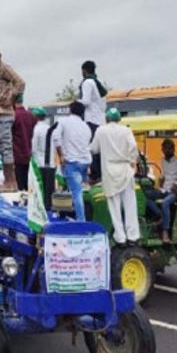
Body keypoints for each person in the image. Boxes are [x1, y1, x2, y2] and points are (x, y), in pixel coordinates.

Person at [90, 108, 140, 246]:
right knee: (130, 205)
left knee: (114, 206)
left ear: (106, 119)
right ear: (119, 119)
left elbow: (94, 149)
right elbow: (133, 147)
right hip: (126, 170)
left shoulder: (101, 130)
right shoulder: (126, 130)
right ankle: (133, 236)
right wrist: (132, 162)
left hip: (110, 172)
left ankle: (120, 237)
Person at [0, 44, 25, 191]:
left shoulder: (3, 68)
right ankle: (10, 182)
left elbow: (20, 82)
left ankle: (11, 182)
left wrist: (10, 98)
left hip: (3, 112)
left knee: (6, 148)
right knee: (2, 148)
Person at [53, 101, 92, 220]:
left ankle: (81, 221)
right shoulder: (86, 126)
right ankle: (84, 214)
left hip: (72, 162)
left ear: (70, 110)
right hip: (85, 162)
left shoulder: (63, 121)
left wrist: (61, 156)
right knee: (83, 189)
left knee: (76, 193)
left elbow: (56, 138)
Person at [79, 60, 107, 182]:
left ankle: (95, 174)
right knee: (100, 149)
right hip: (101, 120)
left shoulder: (87, 82)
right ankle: (101, 173)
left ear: (84, 71)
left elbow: (86, 101)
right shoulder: (98, 82)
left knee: (92, 148)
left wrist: (75, 102)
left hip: (91, 120)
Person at [157, 138, 177, 243]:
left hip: (175, 192)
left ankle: (165, 232)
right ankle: (161, 217)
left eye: (168, 148)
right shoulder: (162, 161)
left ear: (173, 149)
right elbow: (164, 175)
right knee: (147, 197)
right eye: (164, 149)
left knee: (165, 203)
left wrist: (176, 184)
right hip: (165, 189)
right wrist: (160, 179)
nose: (166, 151)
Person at [12, 95, 37, 190]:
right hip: (29, 154)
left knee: (19, 185)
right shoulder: (31, 116)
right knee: (28, 183)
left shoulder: (13, 116)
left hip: (16, 154)